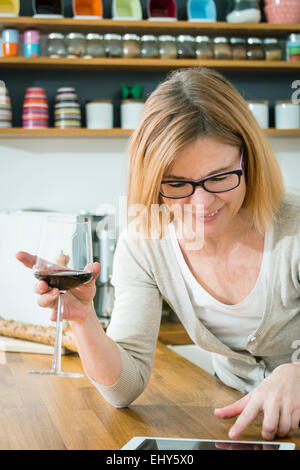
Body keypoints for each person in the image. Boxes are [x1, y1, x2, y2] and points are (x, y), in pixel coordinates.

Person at [17, 67, 300, 441]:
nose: (201, 203)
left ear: (249, 160)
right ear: (153, 181)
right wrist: (83, 320)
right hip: (239, 421)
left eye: (219, 177)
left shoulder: (292, 227)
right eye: (178, 184)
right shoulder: (146, 240)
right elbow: (124, 387)